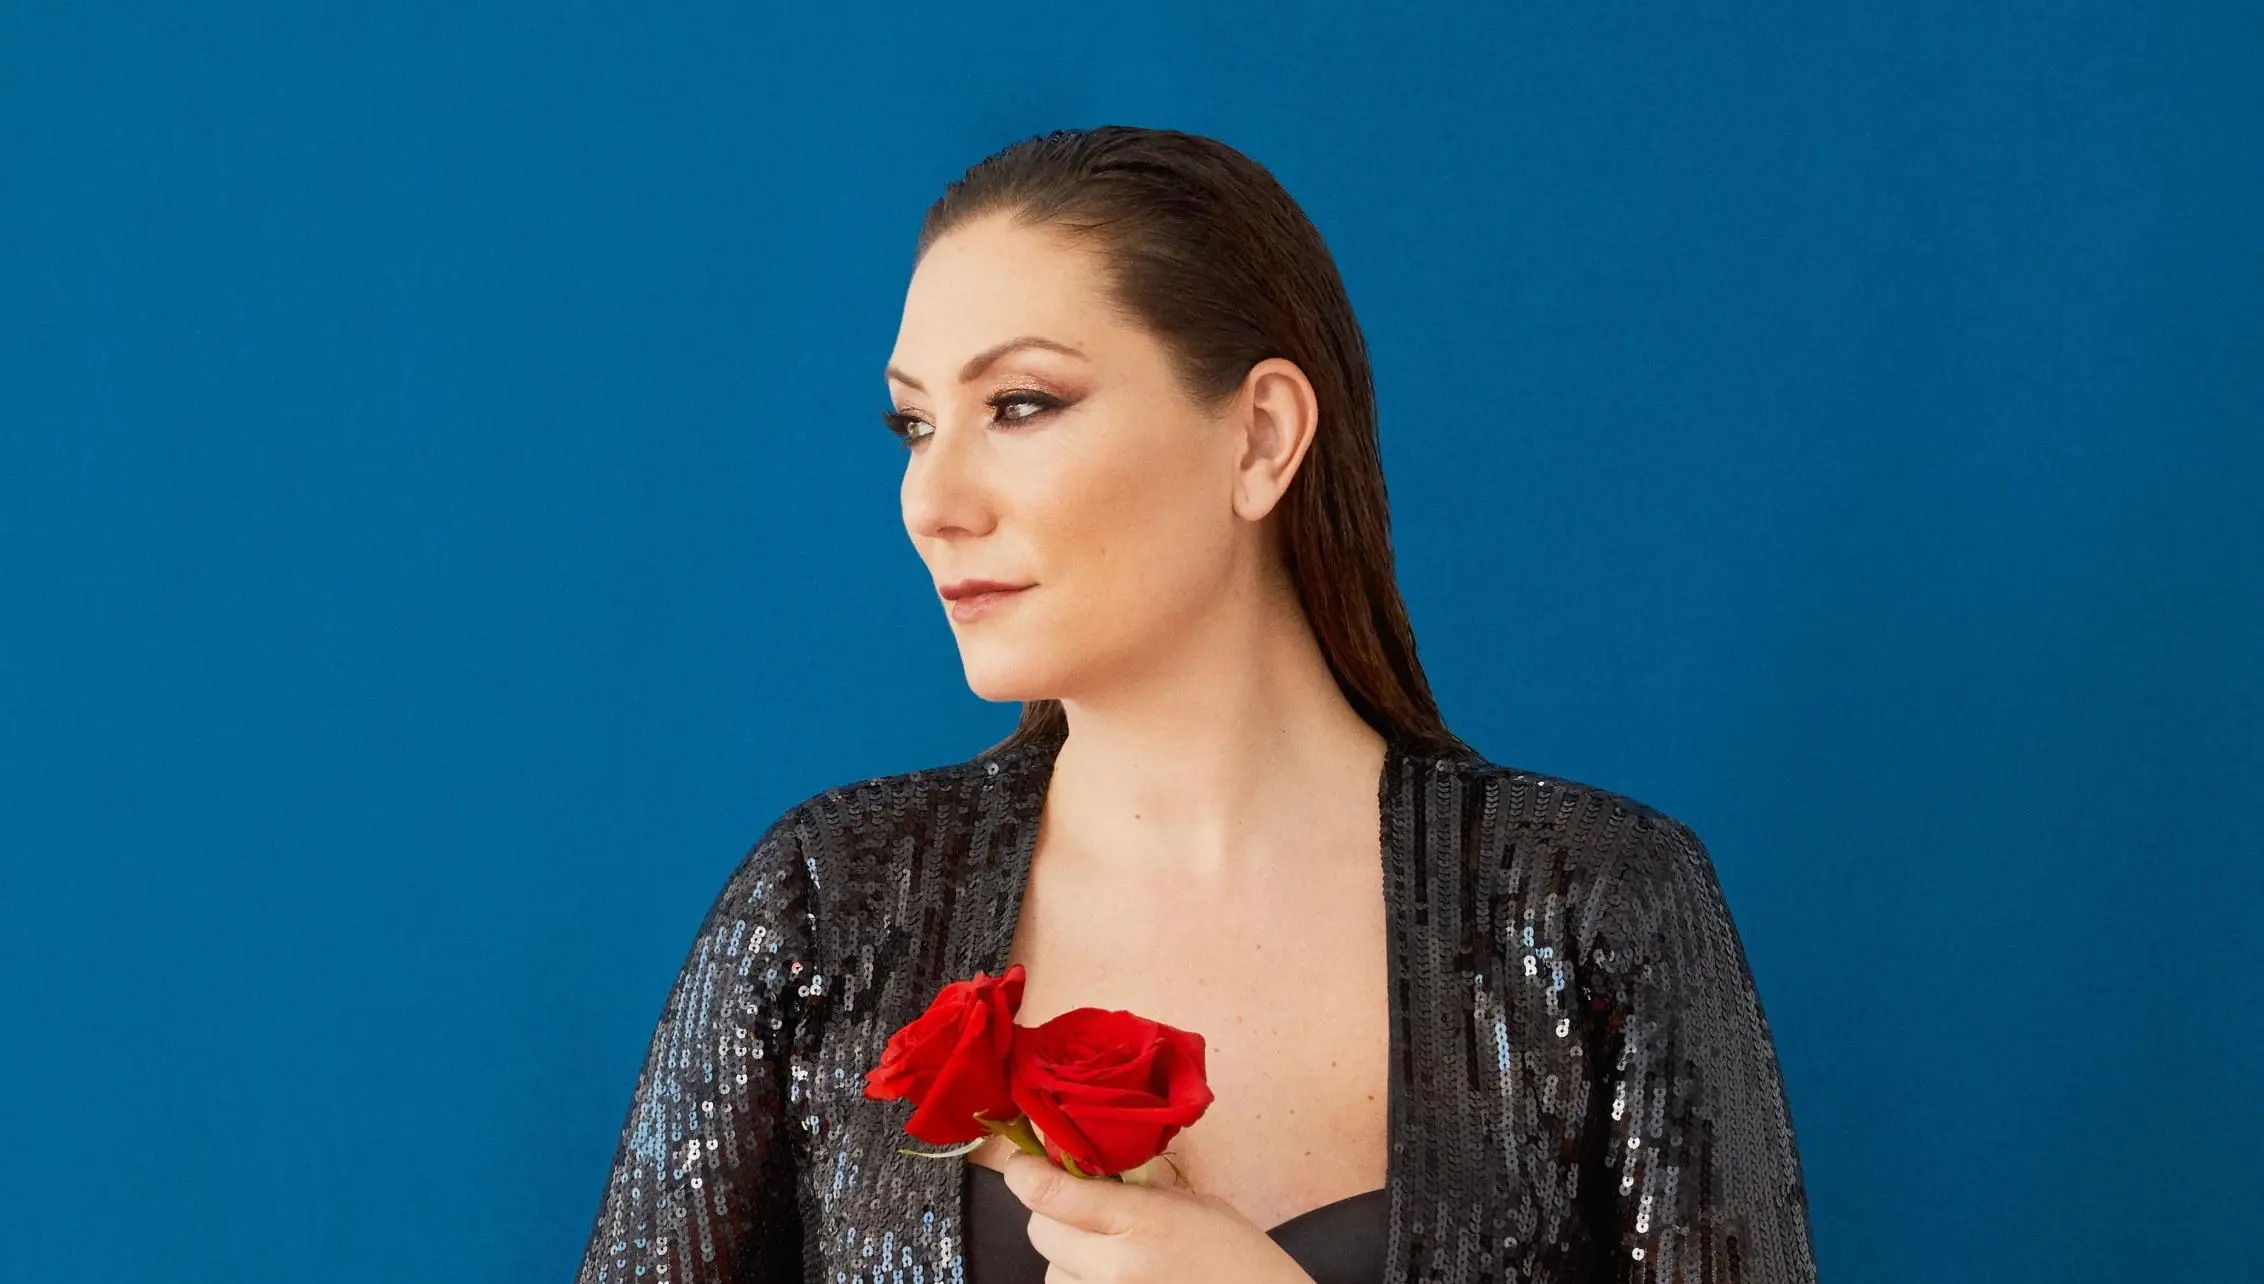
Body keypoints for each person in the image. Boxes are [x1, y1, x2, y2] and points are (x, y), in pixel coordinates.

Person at [572, 125, 1819, 1284]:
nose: (930, 503)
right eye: (913, 424)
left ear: (1261, 437)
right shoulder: (825, 906)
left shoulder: (1595, 908)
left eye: (1019, 405)